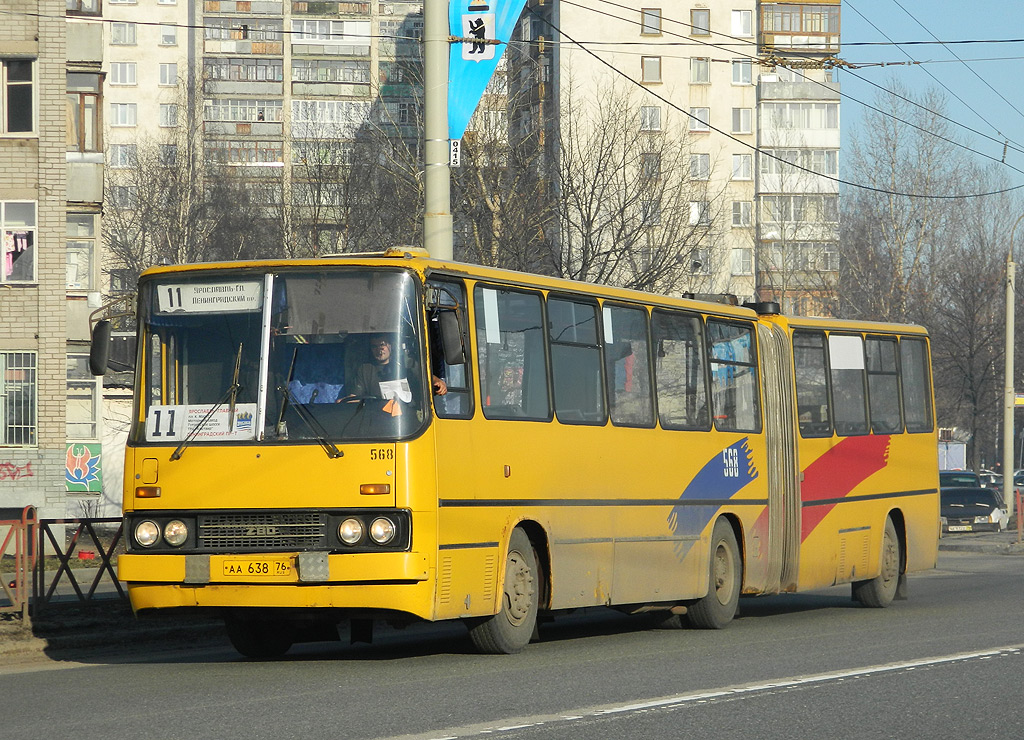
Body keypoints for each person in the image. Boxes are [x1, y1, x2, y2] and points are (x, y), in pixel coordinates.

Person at [346, 334, 447, 410]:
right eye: (374, 346)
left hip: (409, 417)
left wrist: (438, 381)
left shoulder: (406, 364)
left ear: (391, 345)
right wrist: (345, 402)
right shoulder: (365, 369)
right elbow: (356, 395)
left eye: (382, 345)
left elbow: (426, 377)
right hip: (377, 417)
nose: (379, 350)